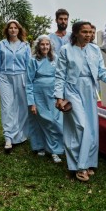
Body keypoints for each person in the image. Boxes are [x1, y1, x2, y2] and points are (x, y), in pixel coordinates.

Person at [55, 21, 106, 182]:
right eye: (84, 32)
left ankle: (87, 163)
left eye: (90, 32)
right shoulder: (66, 50)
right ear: (76, 33)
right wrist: (58, 97)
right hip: (72, 89)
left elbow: (101, 72)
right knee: (80, 126)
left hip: (90, 89)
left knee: (91, 127)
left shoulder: (94, 49)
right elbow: (59, 75)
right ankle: (79, 166)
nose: (88, 35)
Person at [0, 20, 31, 153]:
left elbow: (28, 66)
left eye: (15, 28)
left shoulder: (25, 45)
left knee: (22, 107)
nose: (13, 30)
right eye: (11, 28)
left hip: (22, 77)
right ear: (7, 30)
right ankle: (8, 137)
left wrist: (29, 83)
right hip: (5, 78)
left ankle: (20, 134)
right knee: (7, 107)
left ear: (19, 30)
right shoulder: (1, 45)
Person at [26, 35, 64, 163]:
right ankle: (41, 146)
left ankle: (55, 150)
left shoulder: (55, 58)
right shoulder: (33, 61)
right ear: (38, 46)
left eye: (47, 44)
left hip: (53, 94)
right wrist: (31, 103)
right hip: (39, 95)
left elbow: (60, 77)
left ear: (50, 46)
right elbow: (29, 82)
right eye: (42, 44)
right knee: (42, 121)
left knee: (55, 121)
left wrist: (60, 95)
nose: (45, 47)